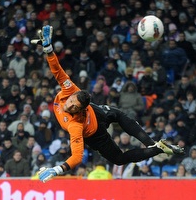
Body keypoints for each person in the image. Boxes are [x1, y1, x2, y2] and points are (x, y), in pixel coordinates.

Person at [33, 26, 185, 183]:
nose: (69, 106)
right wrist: (49, 49)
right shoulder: (70, 90)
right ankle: (158, 148)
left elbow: (78, 157)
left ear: (81, 109)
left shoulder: (75, 124)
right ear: (72, 95)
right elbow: (57, 69)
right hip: (95, 123)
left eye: (75, 107)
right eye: (71, 102)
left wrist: (57, 170)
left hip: (95, 123)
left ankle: (153, 144)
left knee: (119, 118)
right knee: (119, 158)